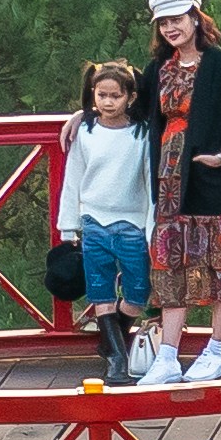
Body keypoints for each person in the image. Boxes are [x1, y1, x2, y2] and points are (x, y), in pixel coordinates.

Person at [137, 0, 221, 388]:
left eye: (177, 19)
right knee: (171, 266)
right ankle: (168, 356)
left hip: (215, 181)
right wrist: (83, 116)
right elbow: (129, 108)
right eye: (164, 22)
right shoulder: (158, 68)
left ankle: (216, 351)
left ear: (195, 18)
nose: (171, 28)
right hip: (170, 185)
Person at [54, 61, 157, 383]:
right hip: (93, 220)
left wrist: (151, 226)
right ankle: (115, 359)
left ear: (130, 96)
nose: (108, 102)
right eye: (102, 95)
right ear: (92, 95)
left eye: (116, 96)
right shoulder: (86, 129)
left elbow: (151, 181)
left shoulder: (142, 132)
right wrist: (68, 225)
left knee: (139, 292)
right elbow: (73, 178)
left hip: (132, 222)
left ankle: (108, 341)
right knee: (100, 292)